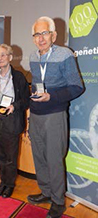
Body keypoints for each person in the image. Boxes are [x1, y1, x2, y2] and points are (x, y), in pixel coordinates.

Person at [27, 16, 84, 218]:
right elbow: (36, 84)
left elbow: (77, 87)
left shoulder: (65, 54)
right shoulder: (33, 57)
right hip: (36, 114)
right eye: (36, 34)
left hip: (55, 114)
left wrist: (52, 96)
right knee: (39, 157)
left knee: (54, 159)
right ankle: (46, 192)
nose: (40, 38)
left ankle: (58, 201)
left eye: (44, 33)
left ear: (53, 35)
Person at [0, 44, 30, 198]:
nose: (0, 58)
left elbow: (26, 100)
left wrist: (14, 106)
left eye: (3, 55)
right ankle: (2, 182)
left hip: (11, 119)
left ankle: (9, 185)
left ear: (10, 57)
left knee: (10, 156)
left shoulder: (18, 77)